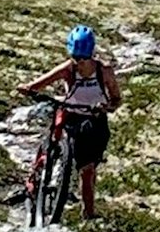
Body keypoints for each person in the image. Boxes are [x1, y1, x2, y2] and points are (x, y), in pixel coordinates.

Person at [17, 25, 121, 221]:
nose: (78, 62)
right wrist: (27, 88)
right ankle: (48, 176)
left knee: (88, 171)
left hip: (95, 121)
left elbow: (117, 99)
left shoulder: (104, 72)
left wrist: (105, 107)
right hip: (73, 117)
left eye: (82, 58)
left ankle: (88, 213)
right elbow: (41, 82)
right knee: (84, 166)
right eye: (75, 57)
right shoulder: (68, 69)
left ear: (91, 54)